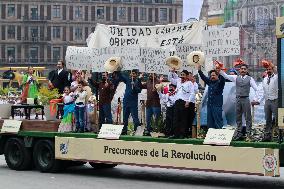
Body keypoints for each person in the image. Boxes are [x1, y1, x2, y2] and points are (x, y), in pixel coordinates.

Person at [220, 64, 259, 141]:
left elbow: (256, 89)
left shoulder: (250, 79)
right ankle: (239, 133)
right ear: (239, 70)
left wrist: (255, 99)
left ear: (247, 70)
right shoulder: (236, 78)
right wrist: (220, 70)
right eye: (242, 69)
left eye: (244, 69)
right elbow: (226, 76)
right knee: (238, 117)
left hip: (246, 99)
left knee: (248, 117)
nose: (243, 70)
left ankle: (248, 134)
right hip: (237, 99)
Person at [168, 69, 195, 139]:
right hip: (177, 101)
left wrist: (188, 101)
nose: (182, 76)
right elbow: (170, 79)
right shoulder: (178, 81)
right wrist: (171, 71)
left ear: (187, 76)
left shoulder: (189, 83)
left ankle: (183, 134)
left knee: (183, 119)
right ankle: (176, 134)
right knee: (176, 118)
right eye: (181, 75)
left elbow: (192, 93)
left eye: (183, 75)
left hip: (184, 102)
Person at [197, 64, 225, 129]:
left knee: (218, 121)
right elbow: (203, 77)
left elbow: (223, 79)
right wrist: (199, 70)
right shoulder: (210, 82)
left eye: (214, 75)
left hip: (217, 105)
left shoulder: (220, 83)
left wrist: (219, 72)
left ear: (217, 76)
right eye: (211, 75)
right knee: (210, 122)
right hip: (209, 105)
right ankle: (211, 135)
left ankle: (219, 135)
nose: (212, 76)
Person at [116, 70, 142, 135]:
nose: (132, 75)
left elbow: (139, 90)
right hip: (126, 102)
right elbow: (121, 76)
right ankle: (124, 131)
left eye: (133, 74)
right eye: (131, 73)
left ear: (136, 74)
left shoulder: (138, 81)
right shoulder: (128, 79)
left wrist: (135, 86)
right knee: (125, 118)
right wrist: (117, 69)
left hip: (133, 103)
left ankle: (136, 131)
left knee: (135, 118)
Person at [262, 64, 278, 142]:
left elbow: (277, 71)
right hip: (267, 101)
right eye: (267, 70)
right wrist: (258, 100)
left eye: (270, 69)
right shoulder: (264, 79)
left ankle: (278, 135)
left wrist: (273, 66)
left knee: (277, 119)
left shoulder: (276, 77)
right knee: (267, 119)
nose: (268, 71)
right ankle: (267, 135)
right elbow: (263, 91)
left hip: (275, 100)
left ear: (272, 70)